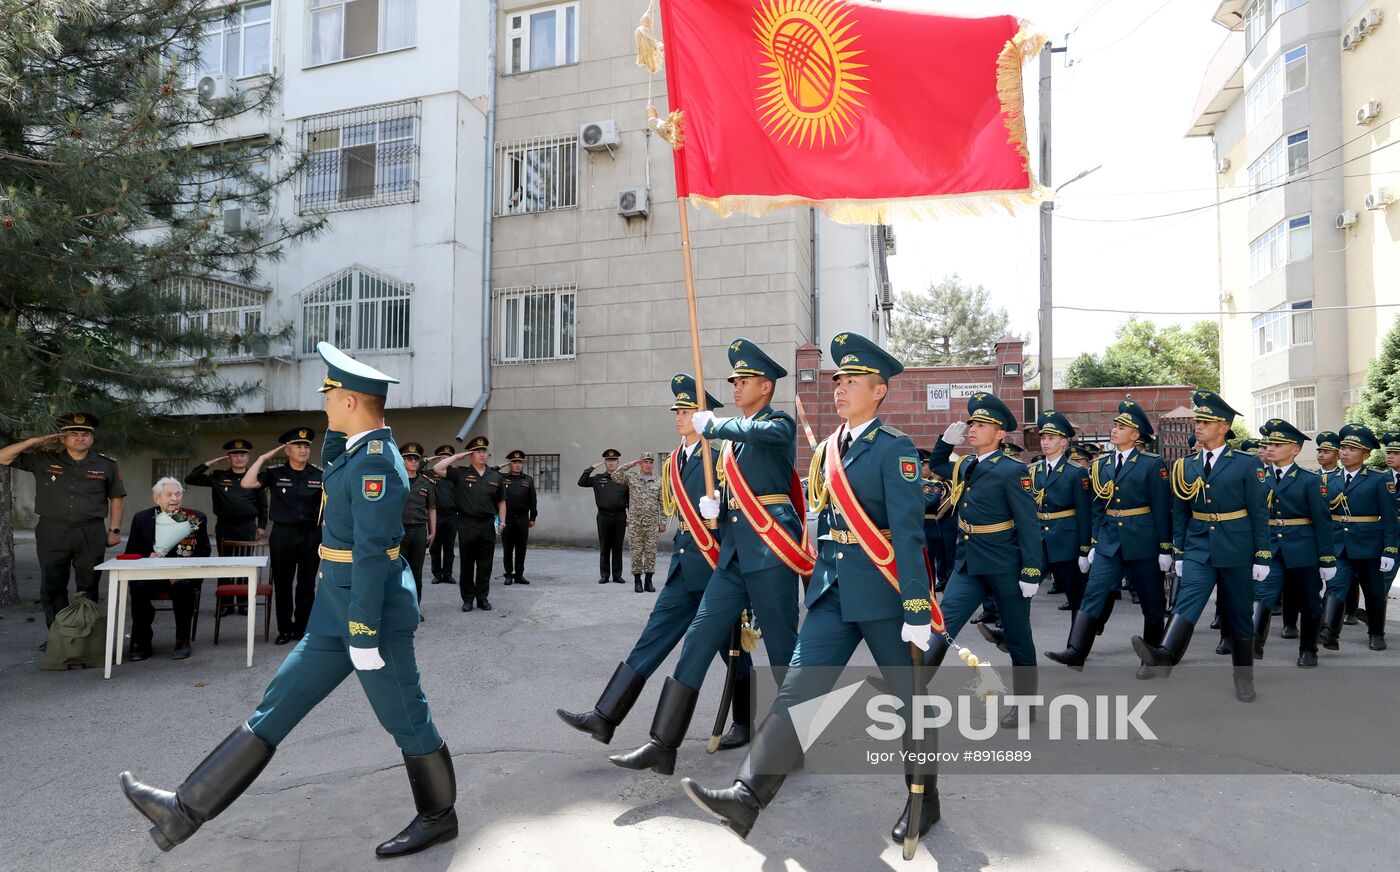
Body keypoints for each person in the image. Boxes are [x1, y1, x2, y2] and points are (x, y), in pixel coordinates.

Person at [119, 342, 458, 860]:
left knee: (406, 716)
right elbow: (337, 490)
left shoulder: (377, 463)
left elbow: (370, 552)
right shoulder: (354, 447)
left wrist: (365, 631)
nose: (323, 405)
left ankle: (439, 816)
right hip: (334, 608)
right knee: (278, 703)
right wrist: (331, 443)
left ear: (349, 401)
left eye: (329, 397)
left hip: (370, 611)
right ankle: (183, 809)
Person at [681, 333, 939, 845]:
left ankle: (924, 801)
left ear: (879, 391)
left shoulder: (895, 449)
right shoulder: (827, 451)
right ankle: (748, 796)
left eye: (852, 382)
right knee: (799, 691)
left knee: (909, 701)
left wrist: (916, 605)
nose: (840, 389)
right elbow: (818, 520)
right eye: (838, 380)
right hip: (832, 592)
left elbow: (909, 534)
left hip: (885, 595)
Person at [609, 337, 810, 775]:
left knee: (781, 648)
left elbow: (761, 434)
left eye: (744, 381)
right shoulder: (732, 442)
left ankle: (795, 739)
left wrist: (713, 425)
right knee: (698, 639)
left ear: (766, 386)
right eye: (734, 381)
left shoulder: (777, 424)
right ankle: (663, 743)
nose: (736, 387)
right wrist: (716, 511)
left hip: (770, 548)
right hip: (734, 553)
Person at [557, 374, 750, 750]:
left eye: (686, 410)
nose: (678, 416)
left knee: (731, 650)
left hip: (716, 570)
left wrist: (722, 512)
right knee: (652, 637)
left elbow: (742, 514)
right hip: (683, 568)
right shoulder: (675, 460)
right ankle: (605, 716)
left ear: (704, 415)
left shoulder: (723, 456)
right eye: (676, 410)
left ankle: (743, 722)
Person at [1134, 389, 1269, 702]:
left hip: (1236, 545)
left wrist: (1262, 555)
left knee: (1238, 615)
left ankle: (1243, 678)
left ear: (1223, 427)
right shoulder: (1186, 465)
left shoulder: (1246, 464)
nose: (1199, 426)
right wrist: (1179, 550)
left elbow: (1259, 512)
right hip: (1198, 546)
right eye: (1199, 421)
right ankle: (1166, 655)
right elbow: (1179, 512)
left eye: (1206, 422)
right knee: (1187, 601)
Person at [924, 392, 1043, 728]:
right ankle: (912, 684)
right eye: (972, 423)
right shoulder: (967, 466)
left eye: (981, 424)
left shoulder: (1011, 471)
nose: (972, 428)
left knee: (1018, 637)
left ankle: (1025, 706)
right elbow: (937, 466)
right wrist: (944, 443)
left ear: (1000, 434)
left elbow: (1028, 523)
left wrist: (1031, 570)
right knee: (943, 625)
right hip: (968, 564)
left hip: (1005, 565)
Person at [1045, 400, 1169, 677]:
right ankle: (1076, 652)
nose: (1114, 430)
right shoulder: (1101, 465)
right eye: (1114, 425)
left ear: (1136, 435)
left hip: (1143, 540)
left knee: (1152, 602)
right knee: (1094, 593)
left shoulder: (1152, 464)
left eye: (1122, 426)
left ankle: (1150, 658)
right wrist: (1091, 544)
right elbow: (1096, 508)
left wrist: (1165, 547)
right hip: (1109, 540)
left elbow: (1162, 508)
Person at [0, 412, 125, 638]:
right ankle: (59, 638)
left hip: (90, 531)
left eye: (85, 434)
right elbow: (3, 457)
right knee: (53, 585)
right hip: (52, 531)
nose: (80, 438)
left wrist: (114, 530)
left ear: (92, 439)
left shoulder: (106, 465)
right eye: (73, 434)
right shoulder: (44, 459)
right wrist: (33, 442)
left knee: (88, 586)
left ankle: (86, 638)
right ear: (62, 438)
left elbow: (116, 497)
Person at [1254, 419, 1334, 667]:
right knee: (1263, 595)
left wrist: (1327, 558)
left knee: (1309, 600)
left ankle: (1309, 649)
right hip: (1270, 547)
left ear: (1295, 450)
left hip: (1302, 549)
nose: (1271, 448)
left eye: (1278, 444)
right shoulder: (1258, 477)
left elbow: (1322, 522)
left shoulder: (1310, 481)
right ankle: (1253, 643)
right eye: (1270, 443)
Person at [1317, 424, 1397, 652]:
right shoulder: (1329, 480)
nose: (1344, 452)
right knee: (1335, 587)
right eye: (1343, 448)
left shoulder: (1378, 479)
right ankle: (1328, 632)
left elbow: (1390, 518)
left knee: (1374, 592)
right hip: (1338, 545)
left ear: (1366, 454)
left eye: (1352, 449)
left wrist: (1389, 550)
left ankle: (1376, 633)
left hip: (1369, 545)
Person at [243, 427, 324, 645]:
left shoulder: (319, 474)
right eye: (298, 445)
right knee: (283, 583)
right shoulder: (275, 472)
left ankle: (303, 629)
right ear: (287, 449)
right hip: (283, 534)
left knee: (307, 584)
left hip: (311, 534)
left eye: (306, 446)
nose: (303, 449)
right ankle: (285, 630)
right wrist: (262, 458)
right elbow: (247, 483)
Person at [124, 478, 213, 661]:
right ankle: (141, 642)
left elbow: (204, 550)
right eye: (169, 494)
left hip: (181, 574)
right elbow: (131, 552)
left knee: (184, 586)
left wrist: (180, 570)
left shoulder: (194, 518)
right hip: (151, 574)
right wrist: (147, 556)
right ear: (157, 498)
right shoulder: (142, 518)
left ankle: (182, 641)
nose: (174, 498)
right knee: (138, 587)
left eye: (178, 494)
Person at [1025, 410, 1091, 648]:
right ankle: (1011, 633)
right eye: (1043, 437)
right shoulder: (1033, 471)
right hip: (1039, 540)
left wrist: (1085, 549)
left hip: (1067, 540)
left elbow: (1084, 514)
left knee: (1076, 596)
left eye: (1051, 438)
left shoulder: (1076, 472)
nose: (1045, 441)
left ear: (1064, 442)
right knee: (1023, 588)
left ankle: (1076, 645)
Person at [186, 439, 268, 616]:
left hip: (247, 527)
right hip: (225, 526)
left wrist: (262, 526)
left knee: (246, 565)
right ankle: (225, 603)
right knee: (225, 565)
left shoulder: (254, 478)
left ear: (248, 457)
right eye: (235, 455)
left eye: (242, 454)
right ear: (228, 458)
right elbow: (190, 478)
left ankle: (244, 603)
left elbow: (263, 505)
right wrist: (209, 463)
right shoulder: (218, 476)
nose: (239, 458)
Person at [433, 436, 505, 612]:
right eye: (477, 451)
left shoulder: (495, 476)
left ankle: (482, 598)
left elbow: (502, 501)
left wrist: (502, 521)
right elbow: (437, 468)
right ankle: (467, 599)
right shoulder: (461, 473)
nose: (482, 454)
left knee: (485, 565)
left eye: (484, 451)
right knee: (467, 564)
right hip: (467, 523)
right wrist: (457, 457)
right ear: (471, 454)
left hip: (487, 524)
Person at [615, 453, 666, 592]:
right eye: (645, 462)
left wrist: (663, 522)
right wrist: (630, 464)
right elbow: (615, 475)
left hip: (652, 524)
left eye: (650, 462)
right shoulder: (632, 478)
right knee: (636, 553)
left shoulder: (658, 481)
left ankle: (648, 581)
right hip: (635, 523)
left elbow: (663, 503)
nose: (648, 465)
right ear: (640, 463)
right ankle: (637, 581)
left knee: (650, 553)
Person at [579, 449, 630, 584]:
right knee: (605, 546)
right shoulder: (598, 479)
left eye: (613, 460)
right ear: (605, 462)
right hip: (603, 516)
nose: (611, 463)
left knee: (618, 547)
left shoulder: (625, 479)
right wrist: (591, 468)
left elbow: (631, 499)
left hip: (620, 516)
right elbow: (581, 482)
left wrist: (629, 517)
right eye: (608, 460)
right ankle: (605, 575)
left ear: (618, 462)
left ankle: (617, 575)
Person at [398, 443, 436, 607]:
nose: (413, 461)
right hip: (400, 531)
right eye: (409, 458)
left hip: (420, 531)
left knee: (416, 572)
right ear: (403, 460)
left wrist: (433, 531)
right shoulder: (396, 481)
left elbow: (432, 509)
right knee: (399, 572)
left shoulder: (426, 483)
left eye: (416, 459)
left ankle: (415, 607)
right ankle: (401, 607)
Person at [500, 450, 538, 586]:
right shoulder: (502, 478)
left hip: (522, 519)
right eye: (514, 462)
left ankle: (519, 575)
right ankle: (508, 574)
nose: (517, 465)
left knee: (521, 548)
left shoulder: (528, 480)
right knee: (508, 548)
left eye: (520, 463)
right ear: (510, 464)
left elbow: (533, 500)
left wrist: (533, 517)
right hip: (507, 519)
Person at [428, 445, 458, 586]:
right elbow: (416, 469)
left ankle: (448, 574)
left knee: (449, 548)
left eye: (448, 457)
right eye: (442, 457)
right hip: (436, 516)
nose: (445, 459)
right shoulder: (430, 474)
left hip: (452, 515)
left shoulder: (456, 474)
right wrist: (429, 459)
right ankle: (437, 574)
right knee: (435, 547)